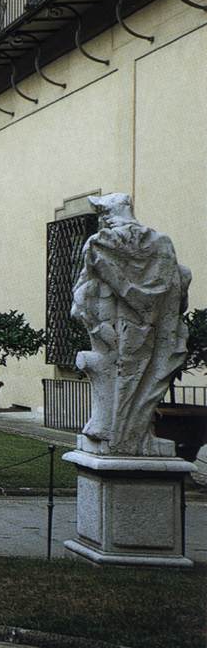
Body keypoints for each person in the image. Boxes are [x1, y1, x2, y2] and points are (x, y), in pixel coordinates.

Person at [72, 193, 191, 455]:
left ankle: (116, 433)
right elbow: (177, 288)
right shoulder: (162, 244)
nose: (104, 218)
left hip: (112, 326)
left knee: (121, 376)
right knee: (139, 379)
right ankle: (129, 433)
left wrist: (84, 311)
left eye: (105, 212)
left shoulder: (100, 243)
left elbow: (81, 291)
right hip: (153, 327)